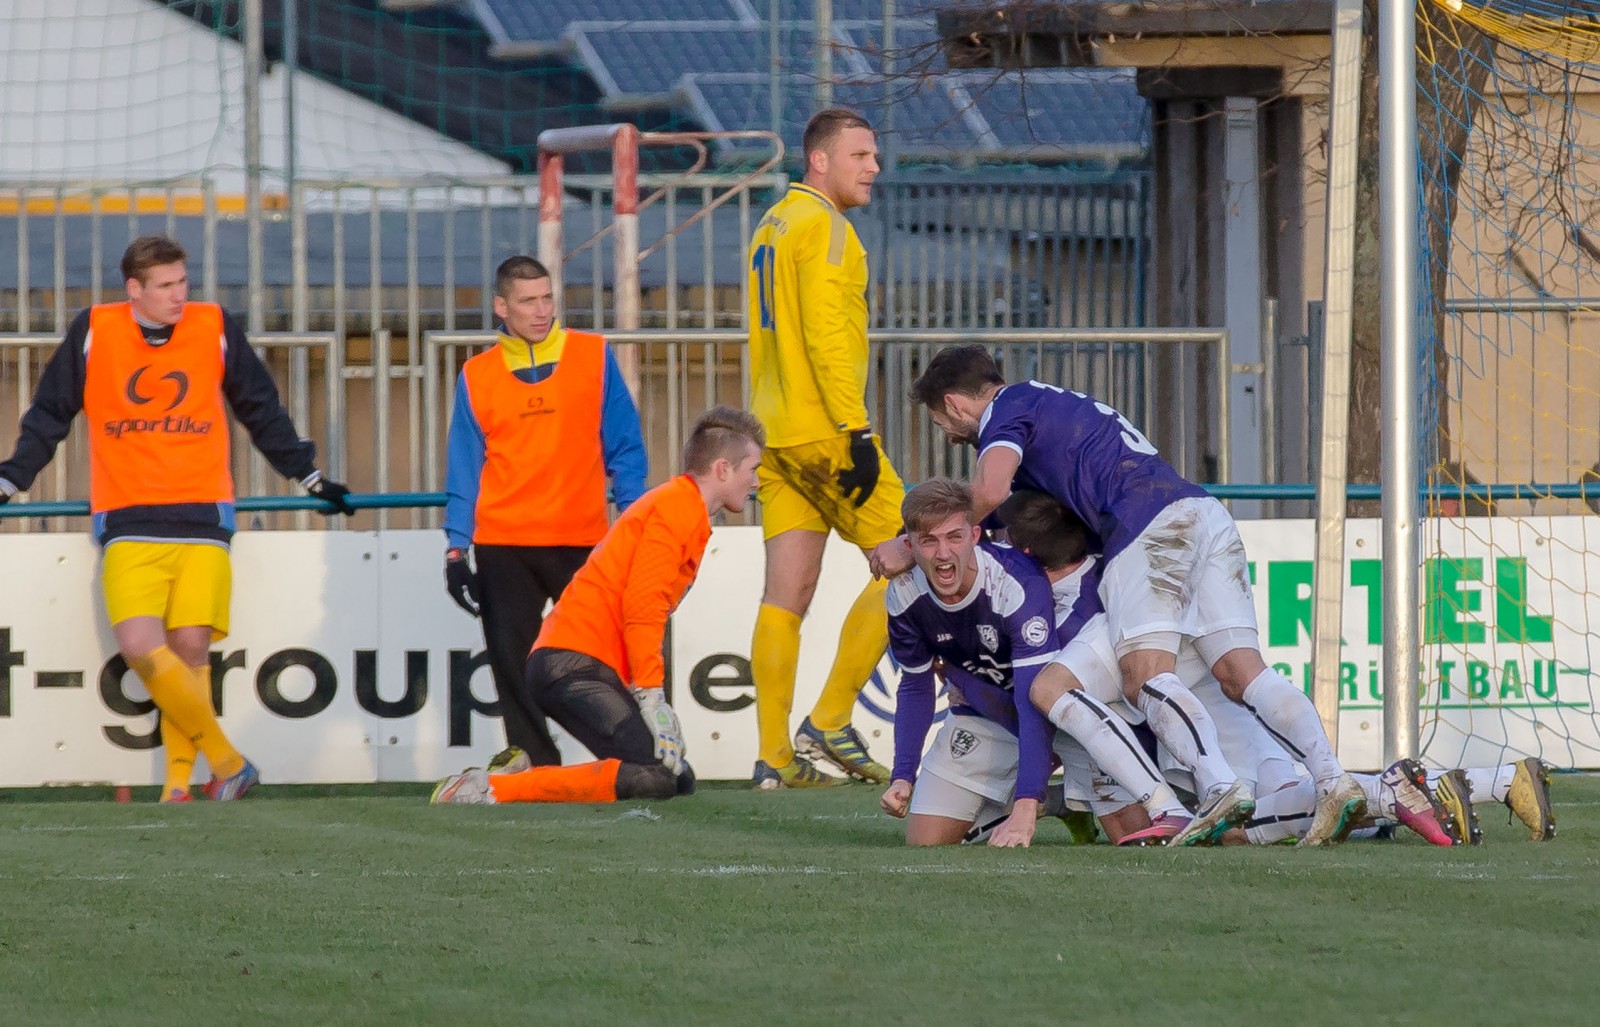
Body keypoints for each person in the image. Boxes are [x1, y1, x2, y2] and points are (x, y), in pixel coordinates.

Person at [889, 345, 1367, 846]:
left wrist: (909, 543)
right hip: (1200, 511)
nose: (945, 431)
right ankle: (1333, 779)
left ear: (955, 403)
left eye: (940, 420)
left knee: (1143, 676)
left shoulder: (1006, 410)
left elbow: (987, 492)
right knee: (1241, 673)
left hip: (1145, 528)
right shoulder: (1051, 401)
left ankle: (1219, 787)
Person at [0, 235, 353, 802]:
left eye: (183, 283)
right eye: (165, 286)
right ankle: (228, 760)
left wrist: (307, 475)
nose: (179, 296)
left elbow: (259, 407)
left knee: (190, 647)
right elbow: (51, 412)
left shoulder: (213, 326)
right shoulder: (95, 328)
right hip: (127, 518)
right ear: (133, 289)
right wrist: (13, 477)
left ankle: (177, 789)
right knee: (141, 646)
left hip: (202, 515)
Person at [429, 406, 764, 806]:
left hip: (573, 663)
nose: (756, 481)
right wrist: (652, 696)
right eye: (752, 469)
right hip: (571, 666)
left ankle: (515, 774)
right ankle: (491, 788)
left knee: (676, 778)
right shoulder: (677, 509)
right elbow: (643, 605)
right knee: (654, 777)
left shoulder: (681, 506)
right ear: (723, 469)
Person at [879, 479, 1194, 848]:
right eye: (928, 541)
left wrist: (1028, 804)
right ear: (909, 545)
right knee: (924, 843)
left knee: (1138, 839)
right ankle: (1062, 802)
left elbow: (1035, 701)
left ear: (976, 535)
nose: (943, 553)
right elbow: (915, 684)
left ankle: (1059, 798)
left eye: (954, 537)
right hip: (990, 714)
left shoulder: (1016, 584)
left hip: (1060, 718)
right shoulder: (903, 593)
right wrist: (902, 775)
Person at [744, 107, 907, 789]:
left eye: (873, 156)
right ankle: (833, 716)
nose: (874, 167)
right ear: (820, 160)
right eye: (860, 155)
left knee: (785, 595)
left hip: (772, 436)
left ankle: (773, 755)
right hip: (825, 432)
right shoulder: (828, 228)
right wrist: (858, 428)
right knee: (915, 556)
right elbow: (827, 339)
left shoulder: (773, 222)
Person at [443, 255, 646, 769]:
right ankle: (536, 760)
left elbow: (625, 447)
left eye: (547, 298)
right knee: (512, 664)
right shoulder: (477, 375)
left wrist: (632, 518)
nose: (541, 310)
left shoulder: (594, 356)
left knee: (604, 654)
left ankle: (632, 753)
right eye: (528, 301)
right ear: (501, 307)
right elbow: (464, 467)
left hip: (583, 538)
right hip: (503, 543)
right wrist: (454, 546)